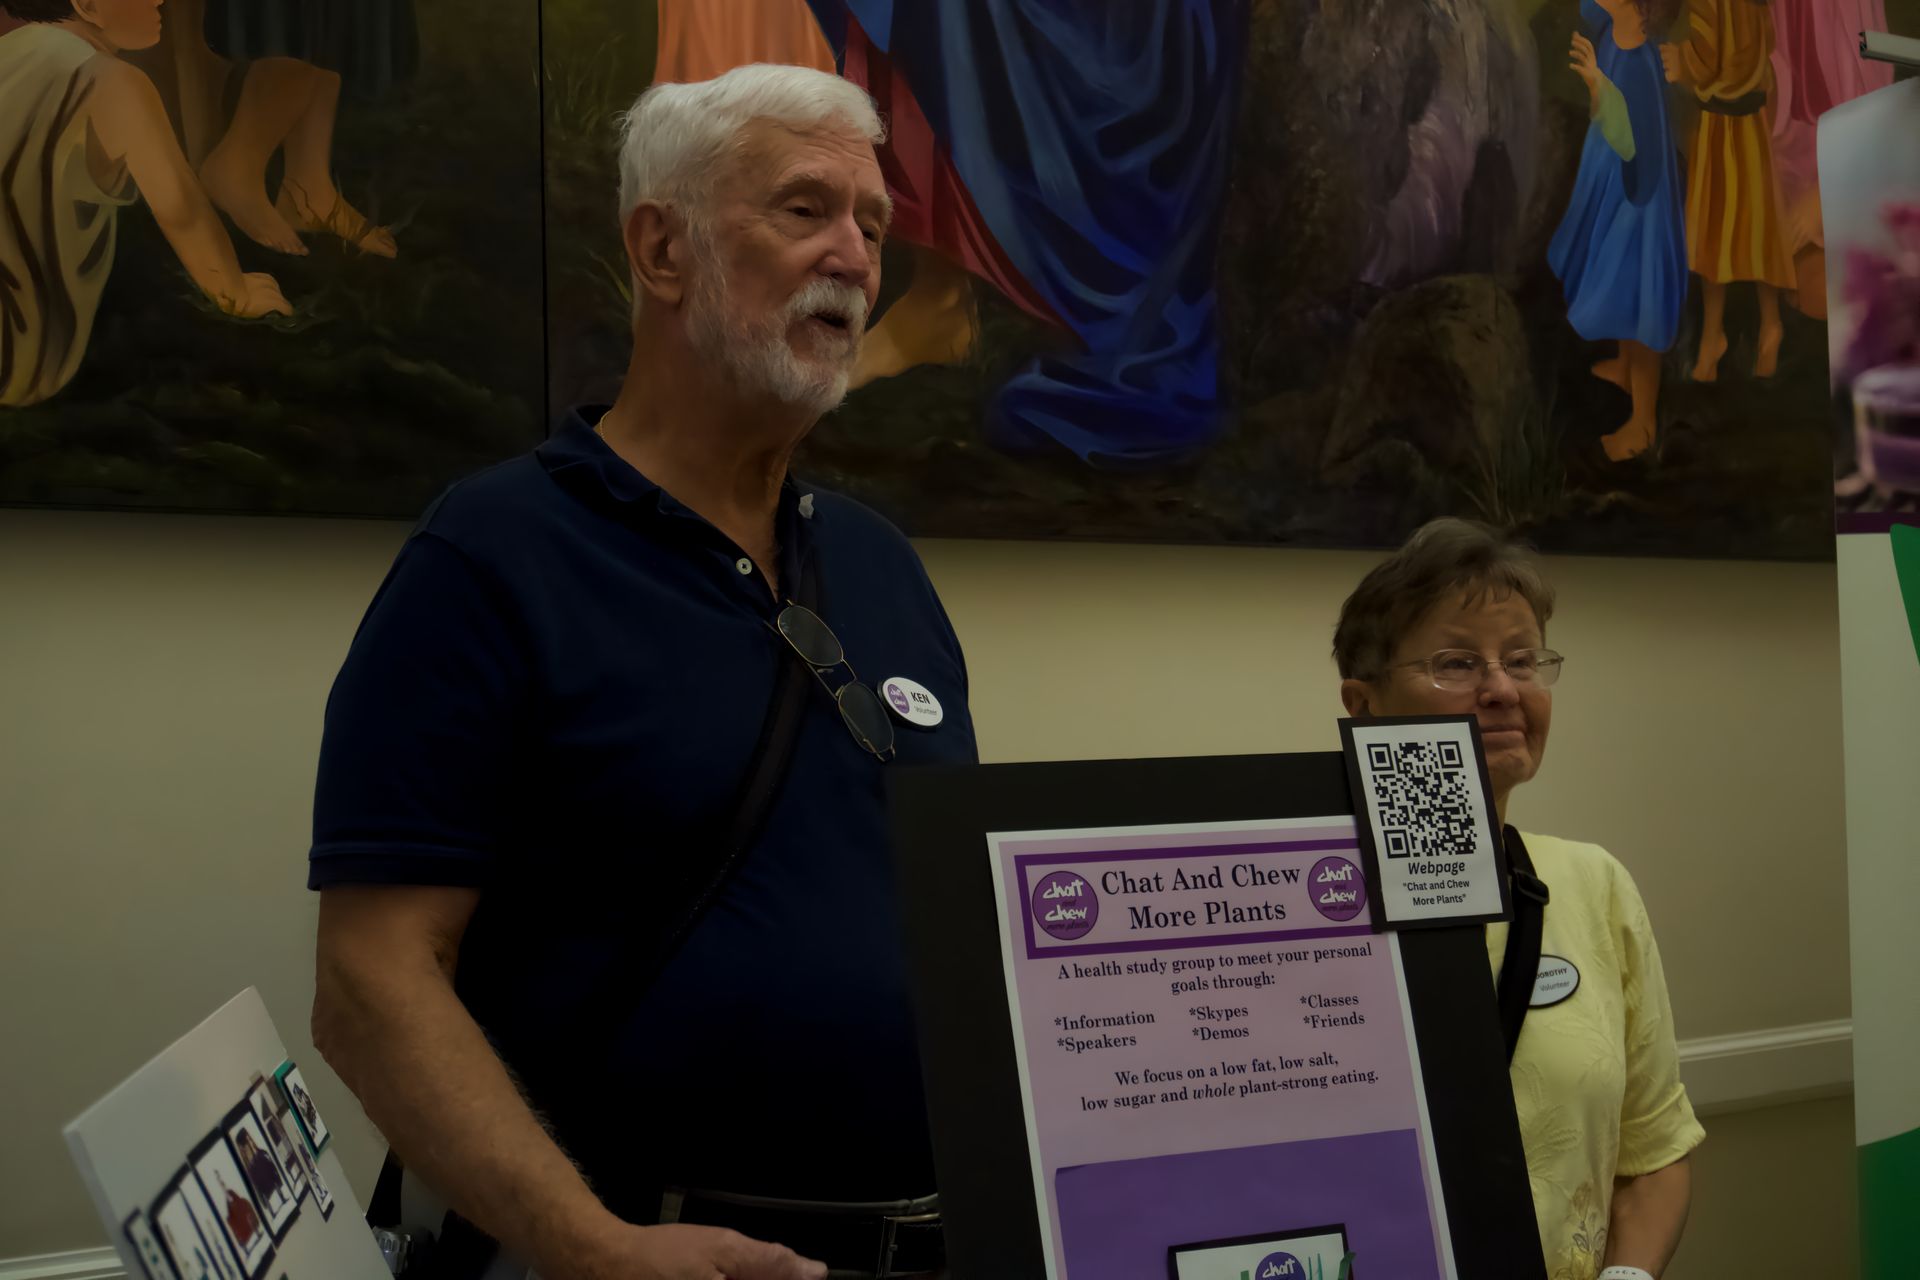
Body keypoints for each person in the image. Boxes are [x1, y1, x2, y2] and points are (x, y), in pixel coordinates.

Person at [308, 63, 975, 1280]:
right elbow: (369, 978)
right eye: (804, 209)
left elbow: (949, 920)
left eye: (873, 225)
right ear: (662, 251)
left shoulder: (882, 568)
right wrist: (589, 1244)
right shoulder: (494, 555)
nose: (856, 257)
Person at [1333, 519, 1702, 1280]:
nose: (1503, 690)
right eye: (1457, 662)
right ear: (1363, 704)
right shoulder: (1301, 903)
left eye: (1523, 661)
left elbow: (1652, 1151)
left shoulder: (1592, 884)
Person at [0, 0, 291, 407]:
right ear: (87, 4)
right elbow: (180, 209)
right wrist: (232, 288)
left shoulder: (11, 52)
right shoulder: (113, 83)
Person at [1549, 0, 1687, 464]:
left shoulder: (1641, 64)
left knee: (1638, 296)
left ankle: (1643, 422)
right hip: (1614, 177)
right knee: (1622, 290)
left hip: (1638, 203)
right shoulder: (1613, 27)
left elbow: (1636, 145)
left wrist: (1594, 81)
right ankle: (1626, 368)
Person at [1663, 0, 1795, 382]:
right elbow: (1759, 47)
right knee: (1749, 229)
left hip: (1724, 125)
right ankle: (1750, 330)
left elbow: (1708, 60)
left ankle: (1723, 334)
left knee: (1717, 228)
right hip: (1746, 122)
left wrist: (1679, 61)